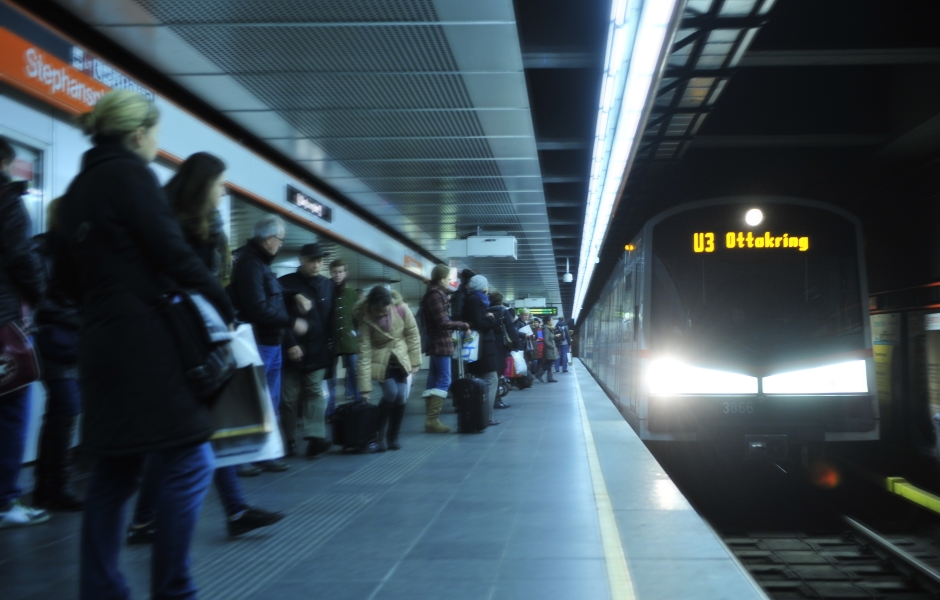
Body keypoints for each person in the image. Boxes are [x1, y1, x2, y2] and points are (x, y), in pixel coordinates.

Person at [52, 90, 233, 599]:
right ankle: (173, 590)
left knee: (114, 469)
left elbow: (63, 281)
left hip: (101, 346)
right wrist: (222, 304)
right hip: (146, 346)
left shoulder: (78, 188)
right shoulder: (133, 175)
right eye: (155, 133)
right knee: (190, 461)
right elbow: (172, 252)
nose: (156, 143)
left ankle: (101, 589)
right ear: (138, 133)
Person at [127, 152, 284, 542]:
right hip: (179, 343)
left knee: (202, 432)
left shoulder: (200, 227)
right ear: (201, 187)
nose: (223, 190)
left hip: (191, 337)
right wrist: (223, 312)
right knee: (187, 438)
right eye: (218, 184)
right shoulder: (176, 229)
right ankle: (154, 522)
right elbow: (191, 282)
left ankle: (226, 510)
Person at [230, 215, 307, 476]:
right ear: (268, 238)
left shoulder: (261, 264)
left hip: (271, 344)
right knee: (254, 402)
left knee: (269, 403)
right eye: (280, 240)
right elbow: (258, 309)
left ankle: (264, 454)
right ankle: (242, 459)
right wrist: (291, 322)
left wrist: (293, 294)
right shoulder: (250, 265)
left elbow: (273, 293)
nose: (280, 245)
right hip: (258, 343)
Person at [0, 137, 48, 528]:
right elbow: (21, 257)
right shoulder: (6, 200)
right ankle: (3, 502)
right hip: (3, 322)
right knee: (12, 409)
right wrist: (41, 296)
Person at [30, 198, 83, 512]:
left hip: (71, 342)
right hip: (53, 340)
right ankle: (55, 486)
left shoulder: (73, 253)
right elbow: (39, 302)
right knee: (66, 407)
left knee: (62, 414)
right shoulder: (41, 250)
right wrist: (79, 317)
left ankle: (46, 485)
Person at [279, 243, 333, 458]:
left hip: (318, 350)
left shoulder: (327, 285)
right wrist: (290, 342)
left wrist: (332, 352)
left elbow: (329, 320)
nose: (317, 265)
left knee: (314, 393)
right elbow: (279, 317)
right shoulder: (285, 284)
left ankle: (315, 439)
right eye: (313, 260)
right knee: (288, 398)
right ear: (301, 259)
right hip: (292, 350)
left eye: (320, 261)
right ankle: (289, 440)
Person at [355, 287, 421, 452]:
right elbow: (363, 352)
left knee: (401, 397)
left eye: (386, 311)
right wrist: (364, 389)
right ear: (372, 306)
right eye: (380, 313)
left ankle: (393, 437)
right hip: (380, 359)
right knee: (391, 392)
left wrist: (415, 362)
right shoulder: (365, 317)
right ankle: (377, 435)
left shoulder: (400, 308)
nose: (383, 315)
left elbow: (413, 334)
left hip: (400, 357)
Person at [420, 264, 469, 433]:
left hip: (437, 342)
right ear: (441, 278)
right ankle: (432, 419)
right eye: (448, 278)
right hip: (441, 343)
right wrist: (462, 324)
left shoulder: (435, 294)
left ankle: (430, 419)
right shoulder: (436, 295)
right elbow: (442, 322)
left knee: (433, 379)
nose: (450, 281)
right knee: (444, 380)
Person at [460, 275, 500, 427]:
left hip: (480, 346)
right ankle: (486, 416)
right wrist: (490, 318)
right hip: (482, 347)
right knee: (491, 379)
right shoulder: (475, 301)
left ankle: (481, 415)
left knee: (481, 380)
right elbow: (480, 323)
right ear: (483, 287)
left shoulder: (473, 299)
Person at [327, 258, 360, 418]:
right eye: (334, 272)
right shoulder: (325, 290)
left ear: (345, 273)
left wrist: (355, 333)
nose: (337, 275)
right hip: (331, 340)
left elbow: (357, 318)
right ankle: (330, 410)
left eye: (340, 272)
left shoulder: (352, 294)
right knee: (331, 376)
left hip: (349, 340)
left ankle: (359, 403)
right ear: (330, 273)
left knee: (354, 371)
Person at [487, 290, 519, 409]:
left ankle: (491, 398)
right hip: (501, 344)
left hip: (488, 344)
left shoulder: (487, 310)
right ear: (501, 300)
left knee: (490, 373)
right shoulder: (502, 311)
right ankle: (497, 399)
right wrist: (517, 344)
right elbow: (511, 329)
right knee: (499, 372)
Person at [538, 316, 560, 383]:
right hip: (548, 349)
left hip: (549, 348)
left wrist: (555, 336)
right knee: (549, 363)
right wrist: (552, 347)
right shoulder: (546, 329)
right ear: (548, 321)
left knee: (548, 363)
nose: (552, 322)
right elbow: (545, 340)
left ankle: (550, 378)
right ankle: (539, 374)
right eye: (552, 320)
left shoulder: (548, 328)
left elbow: (548, 338)